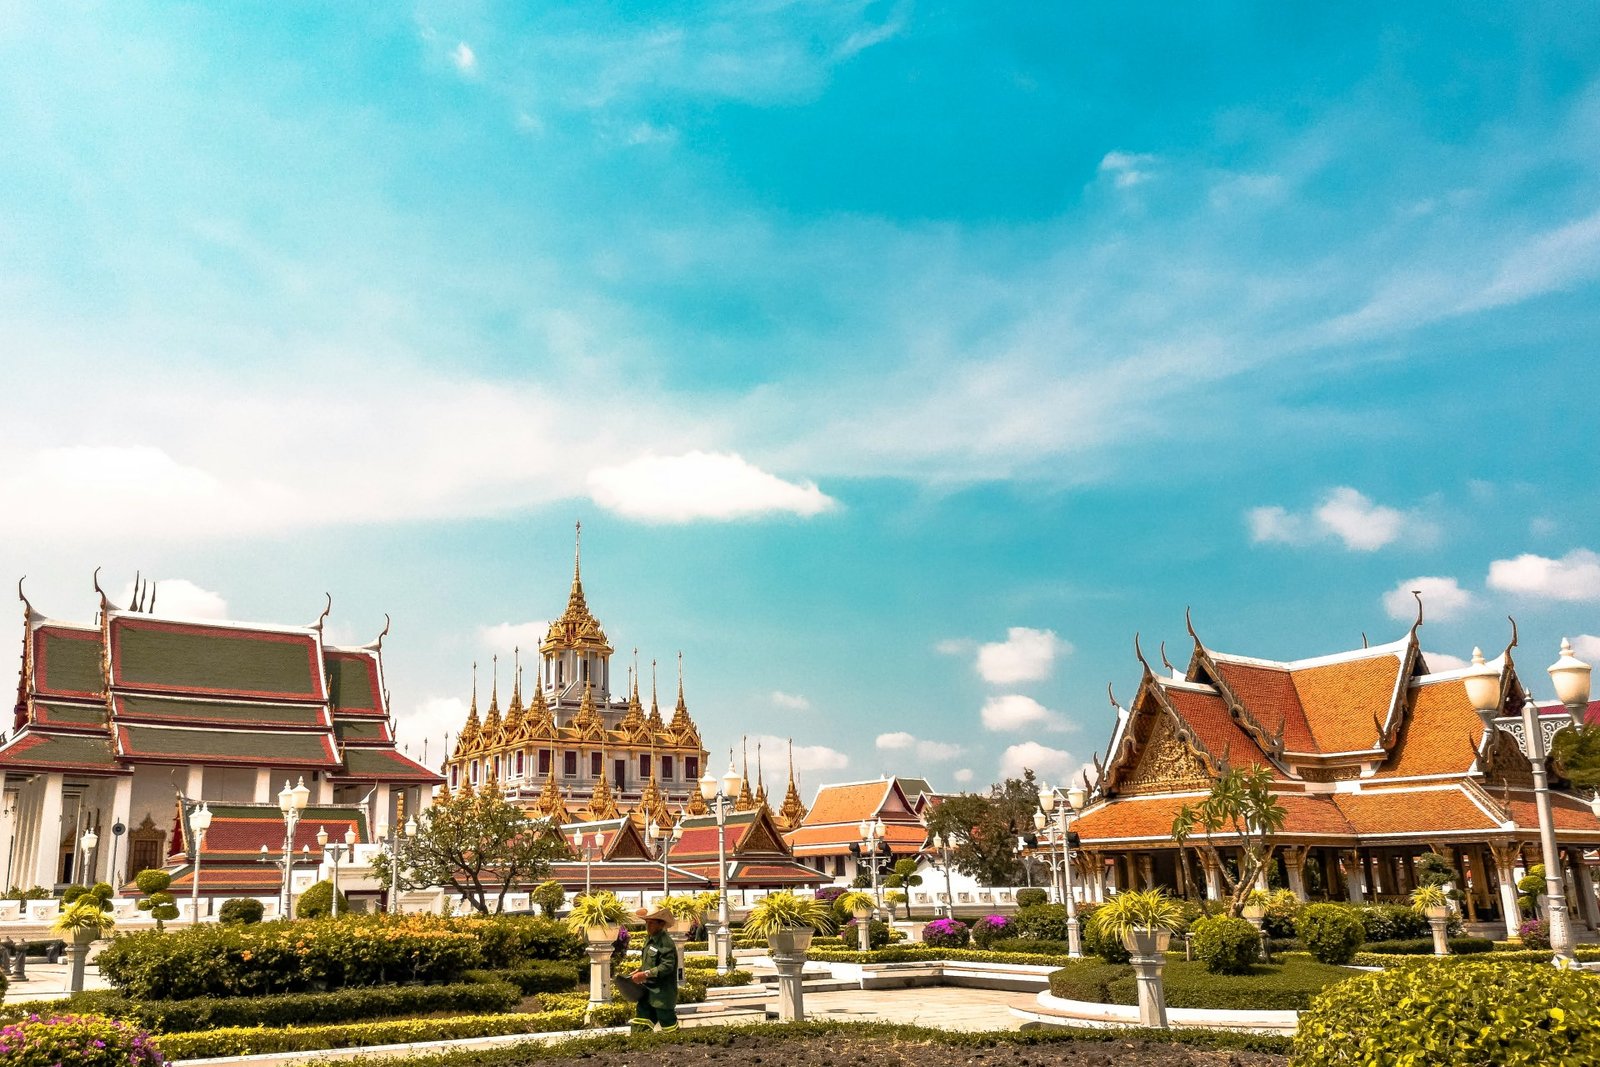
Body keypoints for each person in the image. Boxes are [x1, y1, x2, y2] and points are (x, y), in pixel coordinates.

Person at [627, 905, 679, 1034]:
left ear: (661, 924)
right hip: (648, 991)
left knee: (668, 1026)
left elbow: (667, 966)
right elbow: (649, 963)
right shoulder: (649, 939)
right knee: (641, 1021)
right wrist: (639, 971)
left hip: (662, 994)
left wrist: (645, 974)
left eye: (651, 923)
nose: (648, 926)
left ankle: (676, 1047)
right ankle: (638, 1044)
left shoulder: (665, 942)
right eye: (646, 922)